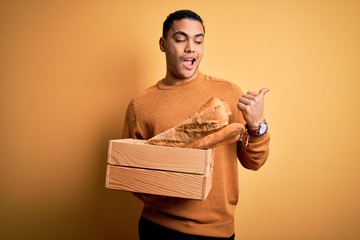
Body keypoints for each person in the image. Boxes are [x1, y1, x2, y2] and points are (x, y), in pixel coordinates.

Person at [122, 9, 270, 240]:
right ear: (163, 44)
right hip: (157, 227)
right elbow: (131, 174)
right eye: (180, 39)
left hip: (217, 231)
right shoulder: (140, 105)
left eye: (198, 41)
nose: (191, 47)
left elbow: (254, 162)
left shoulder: (229, 93)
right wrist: (164, 194)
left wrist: (257, 126)